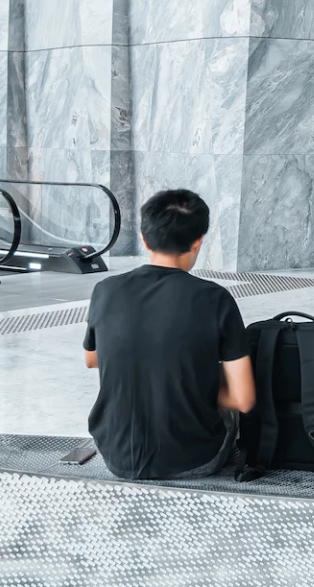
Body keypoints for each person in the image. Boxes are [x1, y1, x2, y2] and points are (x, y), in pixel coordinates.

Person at [80, 189, 255, 480]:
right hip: (193, 460)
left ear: (144, 239)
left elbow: (92, 359)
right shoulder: (215, 299)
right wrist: (197, 383)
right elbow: (243, 399)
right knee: (229, 401)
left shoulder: (105, 290)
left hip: (116, 456)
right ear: (198, 242)